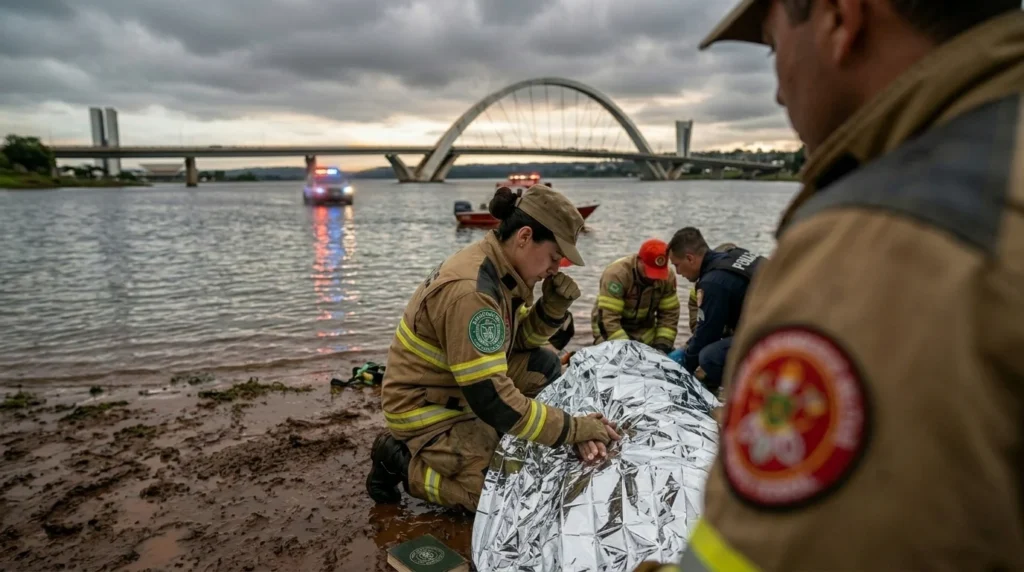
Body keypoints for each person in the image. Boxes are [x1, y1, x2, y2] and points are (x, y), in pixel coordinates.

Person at [640, 0, 1024, 570]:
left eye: (773, 47)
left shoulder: (876, 241)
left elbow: (768, 555)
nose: (777, 93)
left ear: (840, 19)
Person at [366, 185, 621, 513]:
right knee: (497, 495)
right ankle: (397, 461)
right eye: (554, 257)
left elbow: (518, 342)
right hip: (425, 406)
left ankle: (491, 437)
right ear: (525, 237)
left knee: (542, 364)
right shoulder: (473, 292)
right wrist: (574, 428)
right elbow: (492, 400)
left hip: (457, 386)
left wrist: (551, 309)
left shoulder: (502, 270)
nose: (556, 269)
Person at [667, 228, 763, 393]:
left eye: (677, 265)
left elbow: (707, 335)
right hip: (792, 318)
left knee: (709, 357)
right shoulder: (736, 255)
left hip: (775, 334)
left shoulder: (712, 283)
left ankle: (750, 393)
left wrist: (682, 369)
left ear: (690, 258)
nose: (678, 273)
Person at [590, 239, 680, 354]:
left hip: (643, 328)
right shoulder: (617, 274)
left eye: (658, 273)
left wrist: (662, 346)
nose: (653, 278)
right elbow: (609, 319)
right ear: (639, 260)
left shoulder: (668, 277)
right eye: (650, 271)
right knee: (614, 358)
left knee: (658, 354)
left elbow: (669, 315)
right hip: (608, 328)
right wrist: (627, 352)